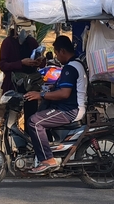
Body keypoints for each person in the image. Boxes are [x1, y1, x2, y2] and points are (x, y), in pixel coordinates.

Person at [23, 35, 87, 174]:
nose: (57, 57)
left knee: (34, 122)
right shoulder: (75, 64)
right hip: (68, 107)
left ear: (62, 51)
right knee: (41, 114)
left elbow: (64, 93)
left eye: (57, 53)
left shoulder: (70, 68)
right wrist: (49, 89)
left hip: (70, 110)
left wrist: (40, 95)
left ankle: (47, 159)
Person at [0, 24, 45, 129]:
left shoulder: (32, 42)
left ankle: (29, 137)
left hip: (30, 85)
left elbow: (41, 62)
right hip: (12, 84)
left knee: (31, 116)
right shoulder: (8, 42)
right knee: (10, 116)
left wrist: (38, 61)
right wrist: (21, 63)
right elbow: (2, 65)